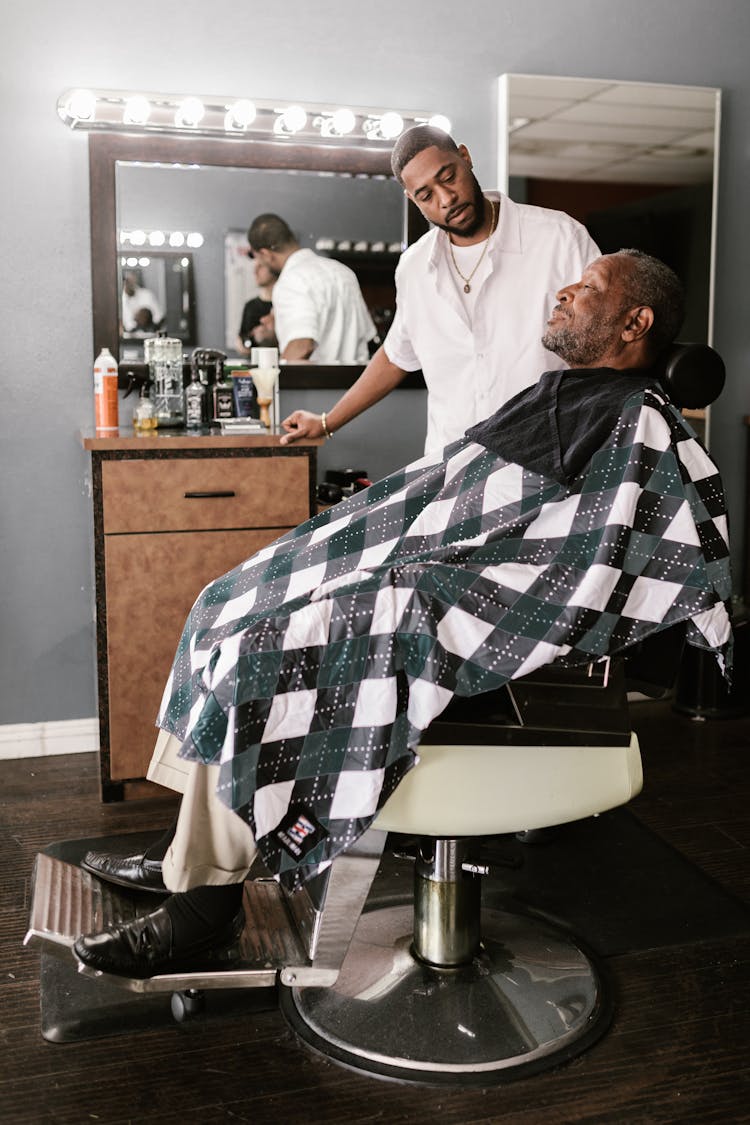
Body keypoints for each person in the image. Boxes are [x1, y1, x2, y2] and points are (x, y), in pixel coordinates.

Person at [75, 250, 732, 978]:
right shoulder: (566, 393)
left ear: (635, 322)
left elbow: (583, 560)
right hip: (432, 565)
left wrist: (416, 573)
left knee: (265, 643)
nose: (567, 288)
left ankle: (207, 903)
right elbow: (458, 491)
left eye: (592, 287)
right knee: (226, 600)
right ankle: (187, 856)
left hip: (482, 627)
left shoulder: (638, 418)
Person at [280, 124, 600, 456]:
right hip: (450, 465)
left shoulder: (559, 237)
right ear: (412, 198)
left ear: (465, 157)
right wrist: (327, 421)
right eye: (426, 195)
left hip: (545, 458)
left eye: (448, 177)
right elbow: (395, 357)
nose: (446, 199)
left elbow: (605, 339)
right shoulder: (414, 266)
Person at [246, 213, 376, 363]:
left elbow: (301, 347)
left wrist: (269, 378)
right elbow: (366, 337)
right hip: (356, 382)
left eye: (259, 259)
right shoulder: (343, 272)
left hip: (316, 384)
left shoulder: (290, 281)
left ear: (266, 254)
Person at [236, 258, 277, 355]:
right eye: (255, 267)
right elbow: (241, 340)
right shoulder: (250, 306)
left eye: (261, 266)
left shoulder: (286, 304)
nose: (255, 272)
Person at [121, 269, 163, 335]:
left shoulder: (147, 294)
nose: (129, 283)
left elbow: (158, 316)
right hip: (127, 338)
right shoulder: (119, 300)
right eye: (127, 281)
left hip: (149, 334)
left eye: (131, 280)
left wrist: (147, 326)